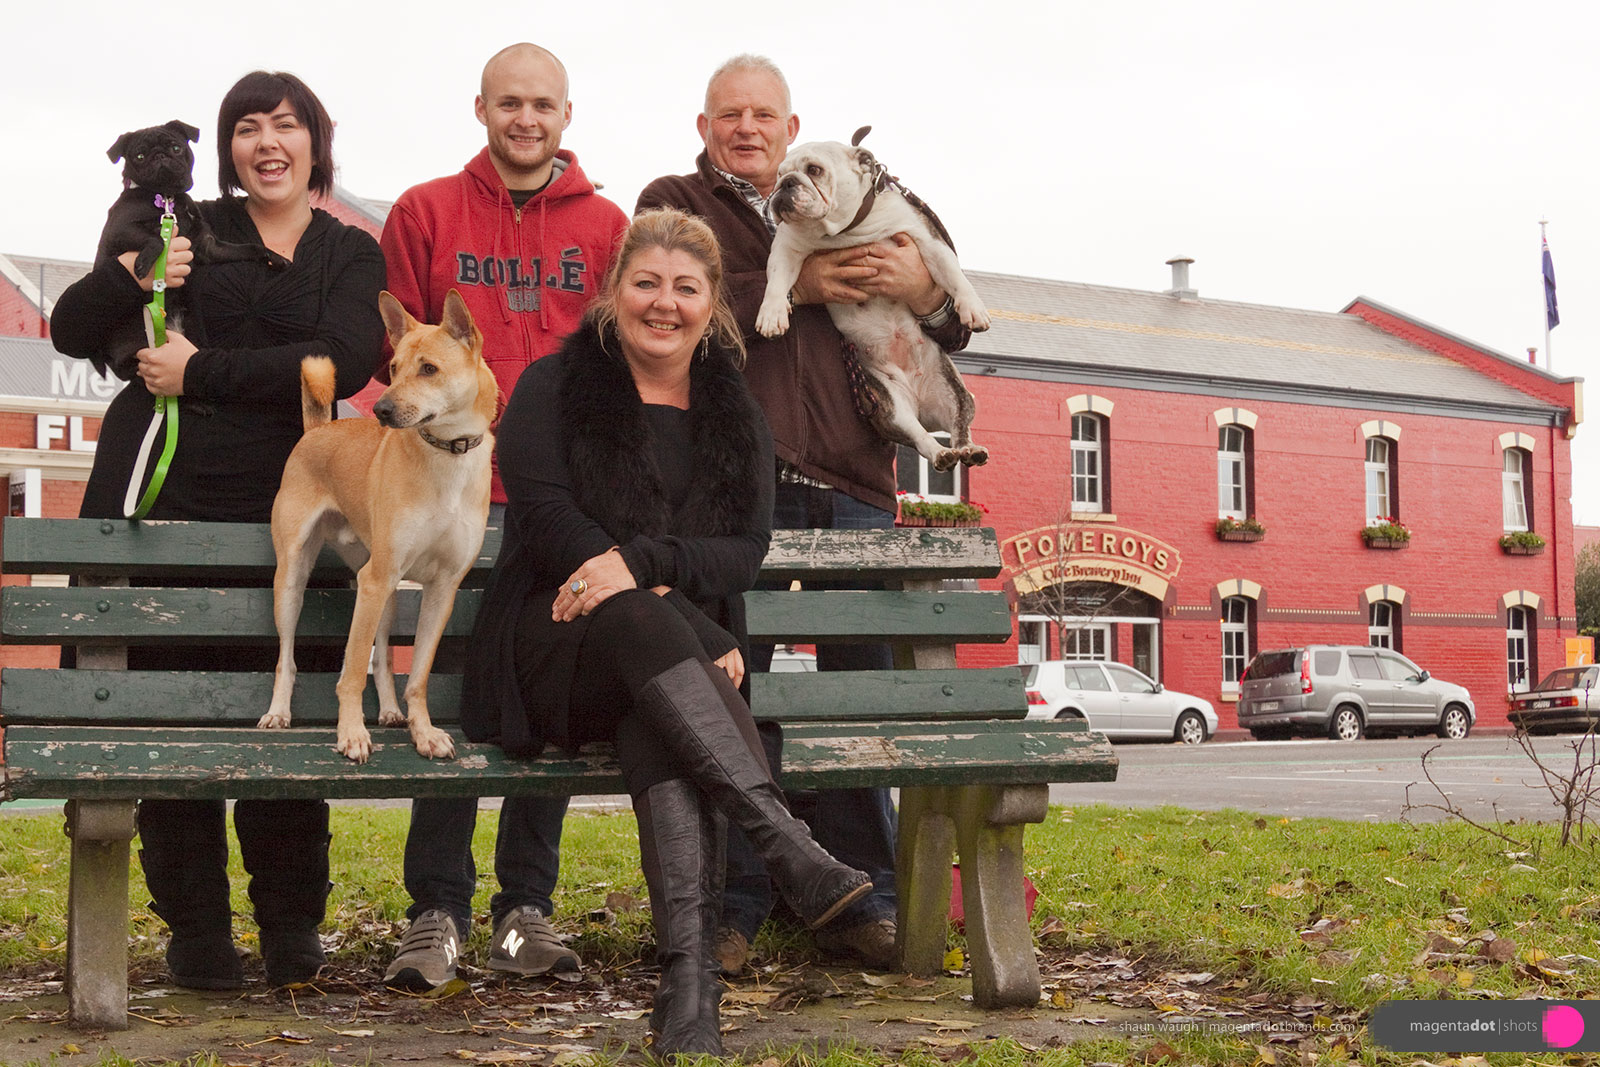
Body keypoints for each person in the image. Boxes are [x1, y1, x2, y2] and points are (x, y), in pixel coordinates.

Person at [459, 206, 870, 1059]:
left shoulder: (735, 407)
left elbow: (743, 549)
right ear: (614, 291)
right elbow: (543, 520)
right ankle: (782, 841)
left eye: (685, 288)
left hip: (662, 673)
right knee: (642, 623)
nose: (664, 303)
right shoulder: (553, 385)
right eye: (645, 283)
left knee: (664, 717)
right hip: (552, 640)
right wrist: (682, 613)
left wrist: (647, 570)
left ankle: (690, 995)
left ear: (713, 302)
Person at [637, 54, 973, 973]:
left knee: (857, 697)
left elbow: (951, 321)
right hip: (731, 489)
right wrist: (804, 285)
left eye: (763, 115)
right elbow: (660, 314)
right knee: (730, 698)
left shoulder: (856, 192)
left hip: (857, 484)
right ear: (703, 127)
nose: (747, 129)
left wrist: (925, 288)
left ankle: (867, 898)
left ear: (794, 130)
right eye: (728, 115)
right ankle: (734, 906)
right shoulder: (674, 203)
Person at [50, 71, 386, 989]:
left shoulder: (350, 255)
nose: (266, 143)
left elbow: (341, 360)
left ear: (316, 143)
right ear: (227, 148)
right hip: (161, 503)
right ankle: (196, 929)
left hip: (295, 513)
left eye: (286, 126)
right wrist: (137, 276)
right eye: (247, 127)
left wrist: (201, 372)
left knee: (287, 722)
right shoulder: (182, 224)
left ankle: (290, 926)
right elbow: (70, 327)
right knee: (171, 718)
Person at [378, 42, 628, 991]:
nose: (526, 119)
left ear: (568, 116)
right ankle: (433, 908)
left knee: (543, 699)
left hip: (556, 499)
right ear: (480, 107)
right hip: (446, 494)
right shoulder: (424, 211)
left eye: (544, 105)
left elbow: (620, 357)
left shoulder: (607, 223)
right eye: (509, 103)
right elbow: (397, 356)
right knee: (441, 687)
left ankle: (524, 906)